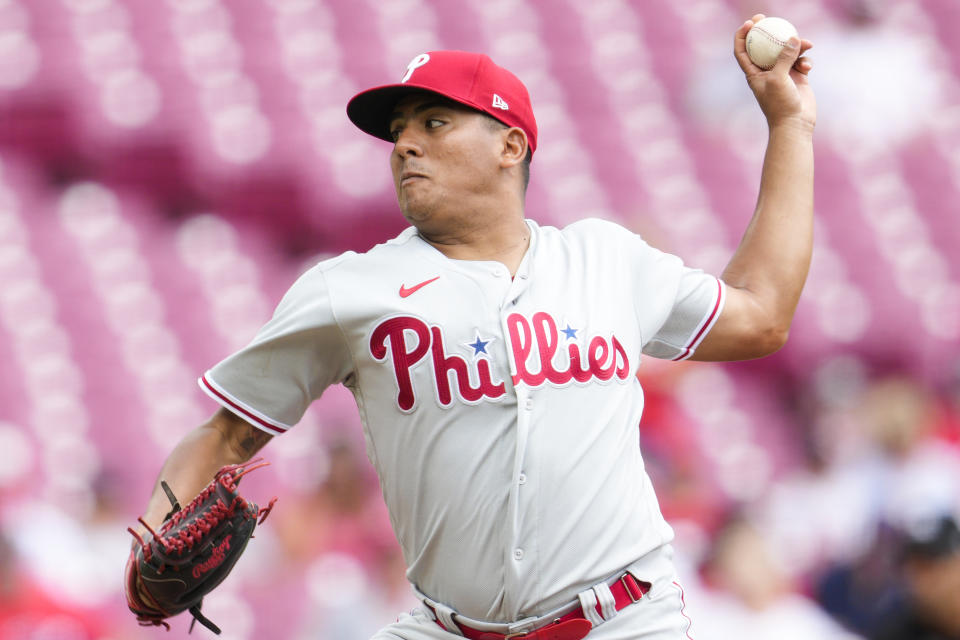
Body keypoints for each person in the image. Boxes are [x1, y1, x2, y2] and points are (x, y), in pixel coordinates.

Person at [130, 14, 815, 640]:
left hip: (625, 621)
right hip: (447, 628)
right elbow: (226, 432)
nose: (404, 146)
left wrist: (789, 126)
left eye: (433, 124)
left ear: (510, 144)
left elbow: (760, 317)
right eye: (398, 131)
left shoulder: (606, 259)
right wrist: (155, 533)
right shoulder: (350, 290)